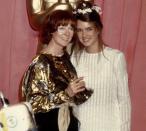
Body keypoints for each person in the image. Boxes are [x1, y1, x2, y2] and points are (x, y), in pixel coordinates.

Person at [21, 10, 92, 131]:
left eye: (71, 28)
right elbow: (33, 103)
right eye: (62, 28)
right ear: (51, 31)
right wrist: (67, 93)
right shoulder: (41, 62)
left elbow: (68, 96)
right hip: (48, 125)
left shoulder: (65, 58)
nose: (67, 33)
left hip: (67, 122)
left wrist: (78, 90)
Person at [71, 1, 131, 131]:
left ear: (98, 29)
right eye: (79, 30)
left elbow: (124, 101)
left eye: (89, 29)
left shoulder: (115, 58)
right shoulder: (73, 60)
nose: (84, 35)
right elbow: (73, 104)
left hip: (110, 127)